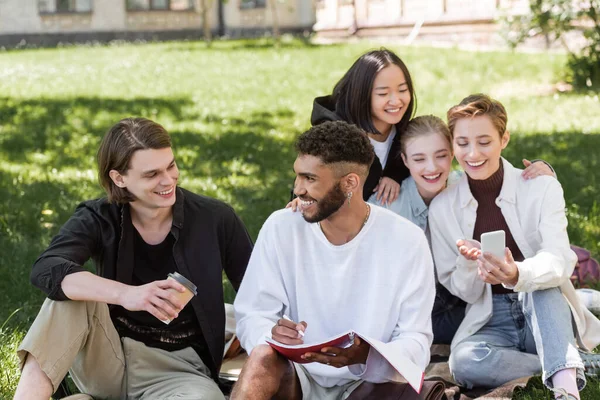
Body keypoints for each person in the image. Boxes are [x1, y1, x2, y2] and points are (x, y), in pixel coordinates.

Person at [14, 118, 253, 400]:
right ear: (119, 178)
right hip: (108, 359)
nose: (168, 180)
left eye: (171, 166)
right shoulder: (99, 216)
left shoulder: (215, 218)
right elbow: (47, 268)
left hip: (180, 373)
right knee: (67, 296)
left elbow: (258, 292)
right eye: (152, 174)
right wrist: (127, 295)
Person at [231, 120, 435, 400]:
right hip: (298, 374)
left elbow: (416, 340)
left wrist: (366, 355)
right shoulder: (282, 227)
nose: (298, 189)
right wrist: (272, 333)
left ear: (350, 182)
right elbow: (252, 313)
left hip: (370, 383)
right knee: (263, 357)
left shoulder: (407, 241)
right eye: (298, 176)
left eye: (310, 179)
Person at [429, 94, 600, 400]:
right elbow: (463, 291)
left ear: (503, 139)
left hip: (544, 308)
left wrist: (516, 273)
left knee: (542, 286)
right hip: (491, 316)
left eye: (484, 141)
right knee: (464, 362)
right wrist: (471, 264)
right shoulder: (443, 207)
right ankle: (575, 364)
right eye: (463, 143)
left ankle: (566, 392)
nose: (473, 153)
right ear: (452, 144)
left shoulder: (540, 186)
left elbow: (560, 259)